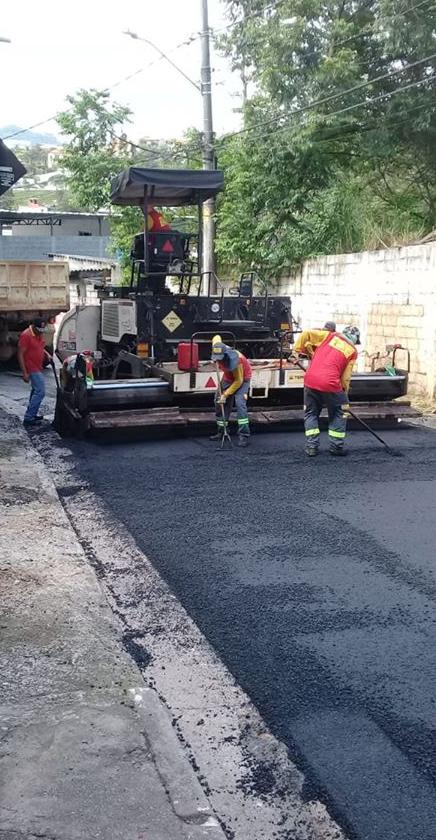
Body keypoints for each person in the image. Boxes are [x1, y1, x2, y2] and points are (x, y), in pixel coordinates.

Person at [294, 325, 360, 456]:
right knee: (339, 413)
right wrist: (343, 396)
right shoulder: (352, 351)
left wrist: (296, 350)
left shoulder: (329, 336)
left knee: (311, 413)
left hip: (310, 380)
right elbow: (346, 378)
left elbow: (307, 332)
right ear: (356, 339)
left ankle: (311, 447)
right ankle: (336, 447)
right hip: (330, 383)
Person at [210, 335, 252, 447]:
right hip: (228, 378)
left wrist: (226, 394)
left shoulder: (237, 361)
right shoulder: (218, 347)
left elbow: (238, 381)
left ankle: (244, 435)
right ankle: (222, 431)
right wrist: (222, 397)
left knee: (240, 404)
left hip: (242, 380)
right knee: (218, 401)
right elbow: (216, 337)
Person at [17, 318, 51, 427]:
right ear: (33, 326)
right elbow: (20, 354)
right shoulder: (26, 335)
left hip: (38, 366)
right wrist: (25, 373)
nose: (41, 331)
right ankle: (29, 417)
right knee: (40, 391)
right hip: (31, 367)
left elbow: (39, 346)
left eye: (42, 329)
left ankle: (32, 413)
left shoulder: (37, 333)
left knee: (35, 390)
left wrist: (46, 353)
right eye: (39, 329)